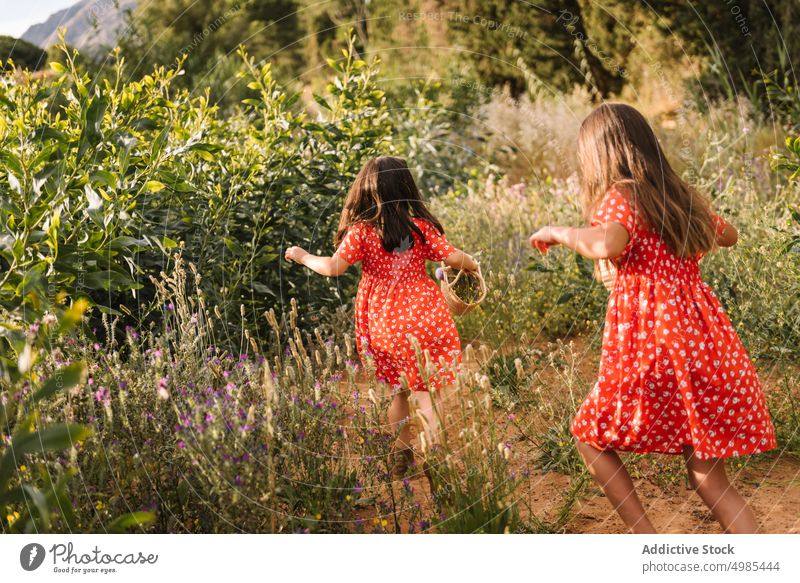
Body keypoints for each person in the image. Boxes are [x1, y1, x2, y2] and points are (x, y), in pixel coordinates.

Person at [529, 103, 776, 533]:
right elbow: (729, 234)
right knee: (706, 475)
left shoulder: (621, 197)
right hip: (705, 346)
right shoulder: (674, 193)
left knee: (590, 435)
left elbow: (609, 243)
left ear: (600, 156)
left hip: (654, 345)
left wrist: (558, 232)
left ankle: (645, 540)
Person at [285, 156, 479, 477]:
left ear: (367, 190)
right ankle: (436, 456)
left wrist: (303, 256)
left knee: (399, 391)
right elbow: (456, 258)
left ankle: (402, 459)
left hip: (385, 321)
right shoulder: (422, 229)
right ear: (407, 189)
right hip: (425, 314)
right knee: (425, 390)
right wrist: (471, 264)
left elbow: (333, 267)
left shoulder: (362, 232)